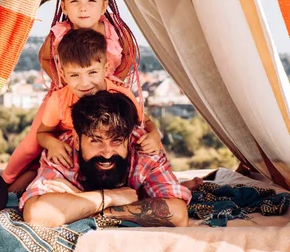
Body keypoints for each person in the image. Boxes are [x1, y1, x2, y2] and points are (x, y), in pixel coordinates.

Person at [3, 0, 155, 189]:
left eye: (91, 1)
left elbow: (130, 56)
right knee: (32, 144)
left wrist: (112, 79)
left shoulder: (115, 33)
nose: (83, 8)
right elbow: (44, 57)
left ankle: (143, 182)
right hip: (67, 96)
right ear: (64, 6)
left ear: (104, 6)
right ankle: (8, 179)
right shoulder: (59, 32)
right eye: (75, 2)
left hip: (106, 96)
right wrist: (62, 81)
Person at [7, 28, 162, 191]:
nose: (84, 83)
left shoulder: (120, 94)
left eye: (92, 72)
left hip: (106, 153)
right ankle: (4, 191)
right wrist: (53, 144)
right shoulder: (59, 99)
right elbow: (42, 133)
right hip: (69, 152)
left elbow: (145, 122)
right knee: (27, 178)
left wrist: (154, 135)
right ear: (63, 74)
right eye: (74, 75)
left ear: (106, 68)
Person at [21, 90, 191, 228]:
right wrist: (111, 197)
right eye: (96, 141)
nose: (107, 153)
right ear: (78, 140)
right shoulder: (63, 152)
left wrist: (83, 203)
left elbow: (178, 214)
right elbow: (37, 214)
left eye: (117, 141)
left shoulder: (144, 149)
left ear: (129, 138)